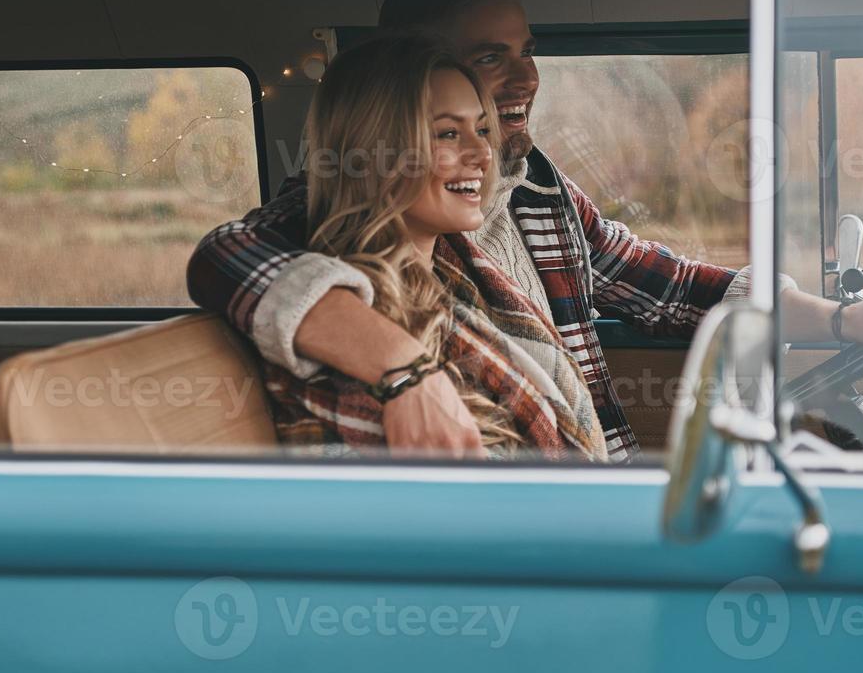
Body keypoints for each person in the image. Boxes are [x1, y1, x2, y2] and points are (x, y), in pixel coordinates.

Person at [188, 0, 863, 461]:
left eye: (525, 50)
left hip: (592, 477)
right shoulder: (346, 211)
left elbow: (672, 286)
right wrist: (404, 371)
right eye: (489, 58)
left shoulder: (536, 186)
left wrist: (847, 321)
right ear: (411, 79)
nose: (524, 76)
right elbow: (228, 257)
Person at [260, 35, 607, 462]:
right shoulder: (343, 330)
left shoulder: (459, 283)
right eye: (447, 133)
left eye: (481, 129)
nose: (482, 152)